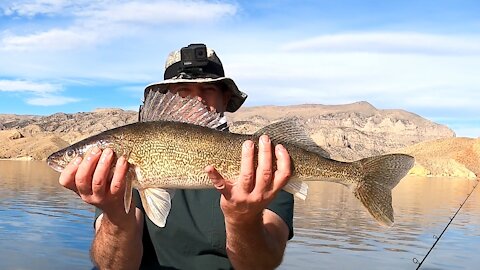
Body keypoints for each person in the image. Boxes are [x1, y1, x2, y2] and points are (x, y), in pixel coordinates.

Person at [58, 43, 294, 270]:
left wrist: (243, 219)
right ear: (166, 101)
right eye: (183, 91)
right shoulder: (119, 174)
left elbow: (262, 266)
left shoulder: (266, 162)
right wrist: (116, 214)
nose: (197, 99)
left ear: (225, 100)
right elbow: (114, 267)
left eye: (209, 89)